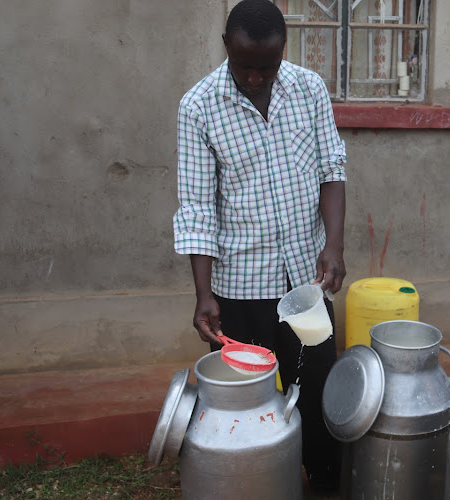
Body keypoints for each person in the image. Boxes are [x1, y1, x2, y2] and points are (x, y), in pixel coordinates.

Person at [172, 0, 345, 494]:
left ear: (283, 51)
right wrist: (204, 295)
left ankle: (325, 478)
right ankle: (254, 482)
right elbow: (198, 207)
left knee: (315, 387)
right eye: (244, 65)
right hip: (239, 288)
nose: (254, 78)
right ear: (226, 46)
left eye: (266, 67)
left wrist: (332, 245)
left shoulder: (309, 89)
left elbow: (332, 170)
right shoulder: (199, 107)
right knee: (245, 404)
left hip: (305, 284)